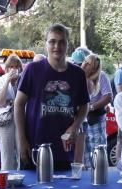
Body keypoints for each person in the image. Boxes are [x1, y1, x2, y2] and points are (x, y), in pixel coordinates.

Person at [14, 23, 89, 171]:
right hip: (35, 148)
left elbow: (84, 105)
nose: (57, 46)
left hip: (64, 150)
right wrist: (22, 140)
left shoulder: (78, 74)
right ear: (46, 44)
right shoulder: (32, 70)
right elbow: (18, 104)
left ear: (68, 44)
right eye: (52, 41)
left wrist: (75, 126)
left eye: (62, 42)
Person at [0, 54, 23, 169]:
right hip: (5, 121)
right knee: (7, 155)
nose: (13, 69)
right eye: (11, 67)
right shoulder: (0, 81)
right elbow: (0, 102)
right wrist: (8, 81)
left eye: (16, 67)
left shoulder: (23, 79)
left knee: (22, 153)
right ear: (6, 68)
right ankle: (7, 181)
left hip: (20, 119)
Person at [81, 53, 113, 167]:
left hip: (95, 120)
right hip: (80, 121)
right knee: (83, 155)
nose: (84, 64)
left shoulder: (101, 76)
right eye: (84, 61)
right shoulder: (78, 76)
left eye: (88, 63)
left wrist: (91, 107)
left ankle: (99, 175)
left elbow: (108, 96)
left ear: (94, 68)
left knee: (97, 152)